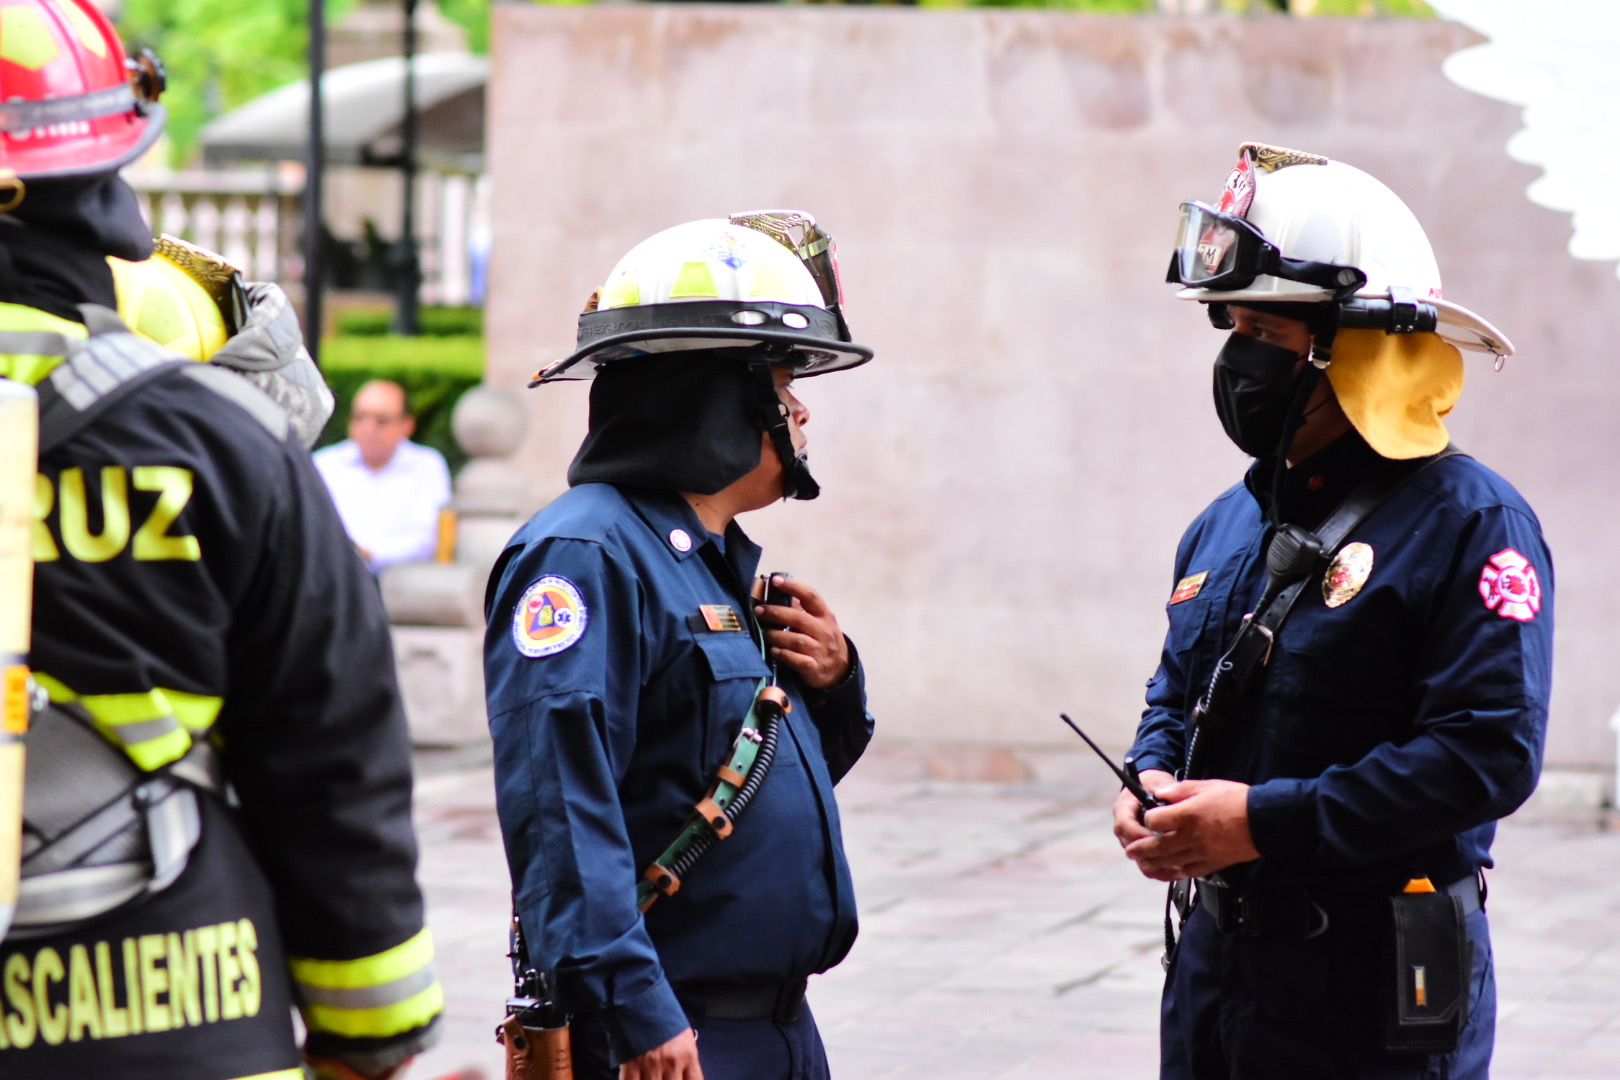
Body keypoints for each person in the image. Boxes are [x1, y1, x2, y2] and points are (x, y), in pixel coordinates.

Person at [0, 3, 442, 1077]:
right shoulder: (220, 441)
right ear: (101, 186)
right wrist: (372, 1032)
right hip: (185, 1007)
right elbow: (333, 755)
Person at [1114, 143, 1552, 1079]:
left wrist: (1263, 822)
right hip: (1214, 975)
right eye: (1231, 325)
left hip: (1370, 991)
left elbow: (1488, 754)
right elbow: (1177, 693)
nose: (1236, 359)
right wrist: (1149, 777)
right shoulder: (1227, 521)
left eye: (1265, 332)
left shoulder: (1472, 524)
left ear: (1355, 347)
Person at [485, 213, 875, 1080]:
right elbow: (559, 803)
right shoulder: (584, 555)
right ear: (717, 401)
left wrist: (834, 681)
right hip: (671, 1038)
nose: (800, 410)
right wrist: (637, 1010)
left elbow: (759, 787)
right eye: (781, 382)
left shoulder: (706, 561)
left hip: (777, 1028)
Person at [314, 380, 452, 573]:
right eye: (359, 417)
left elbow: (428, 537)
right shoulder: (324, 462)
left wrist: (370, 555)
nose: (368, 428)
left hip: (400, 580)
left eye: (381, 420)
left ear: (407, 425)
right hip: (332, 575)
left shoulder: (427, 464)